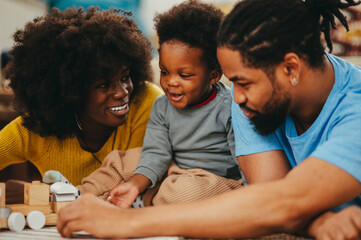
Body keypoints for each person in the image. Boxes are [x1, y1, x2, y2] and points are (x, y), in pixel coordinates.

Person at [57, 0, 361, 239]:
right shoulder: (253, 101)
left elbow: (279, 205)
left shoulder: (355, 110)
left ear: (291, 69)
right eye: (233, 83)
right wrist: (319, 220)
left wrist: (128, 223)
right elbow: (269, 199)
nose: (236, 97)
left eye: (244, 83)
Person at [72, 0, 242, 207]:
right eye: (164, 71)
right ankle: (76, 195)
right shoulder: (162, 106)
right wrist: (134, 183)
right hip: (170, 167)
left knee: (184, 192)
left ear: (213, 75)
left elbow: (244, 159)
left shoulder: (230, 106)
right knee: (124, 160)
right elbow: (156, 152)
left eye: (184, 75)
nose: (171, 82)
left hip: (210, 179)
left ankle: (145, 201)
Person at [0, 7, 162, 198]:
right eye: (103, 84)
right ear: (70, 91)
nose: (122, 92)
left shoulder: (146, 104)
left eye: (125, 77)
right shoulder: (35, 130)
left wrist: (40, 195)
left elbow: (128, 190)